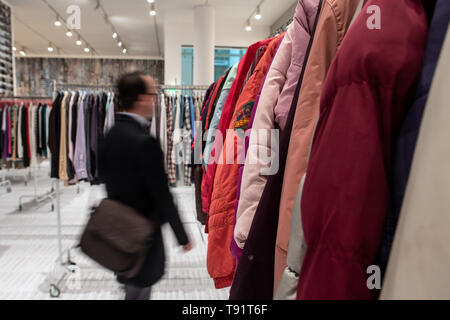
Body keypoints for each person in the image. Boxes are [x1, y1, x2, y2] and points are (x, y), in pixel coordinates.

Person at [99, 71, 193, 300]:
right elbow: (162, 195)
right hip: (143, 234)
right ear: (141, 99)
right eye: (153, 94)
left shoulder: (110, 135)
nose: (155, 100)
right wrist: (182, 236)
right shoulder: (144, 142)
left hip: (117, 229)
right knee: (140, 287)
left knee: (131, 282)